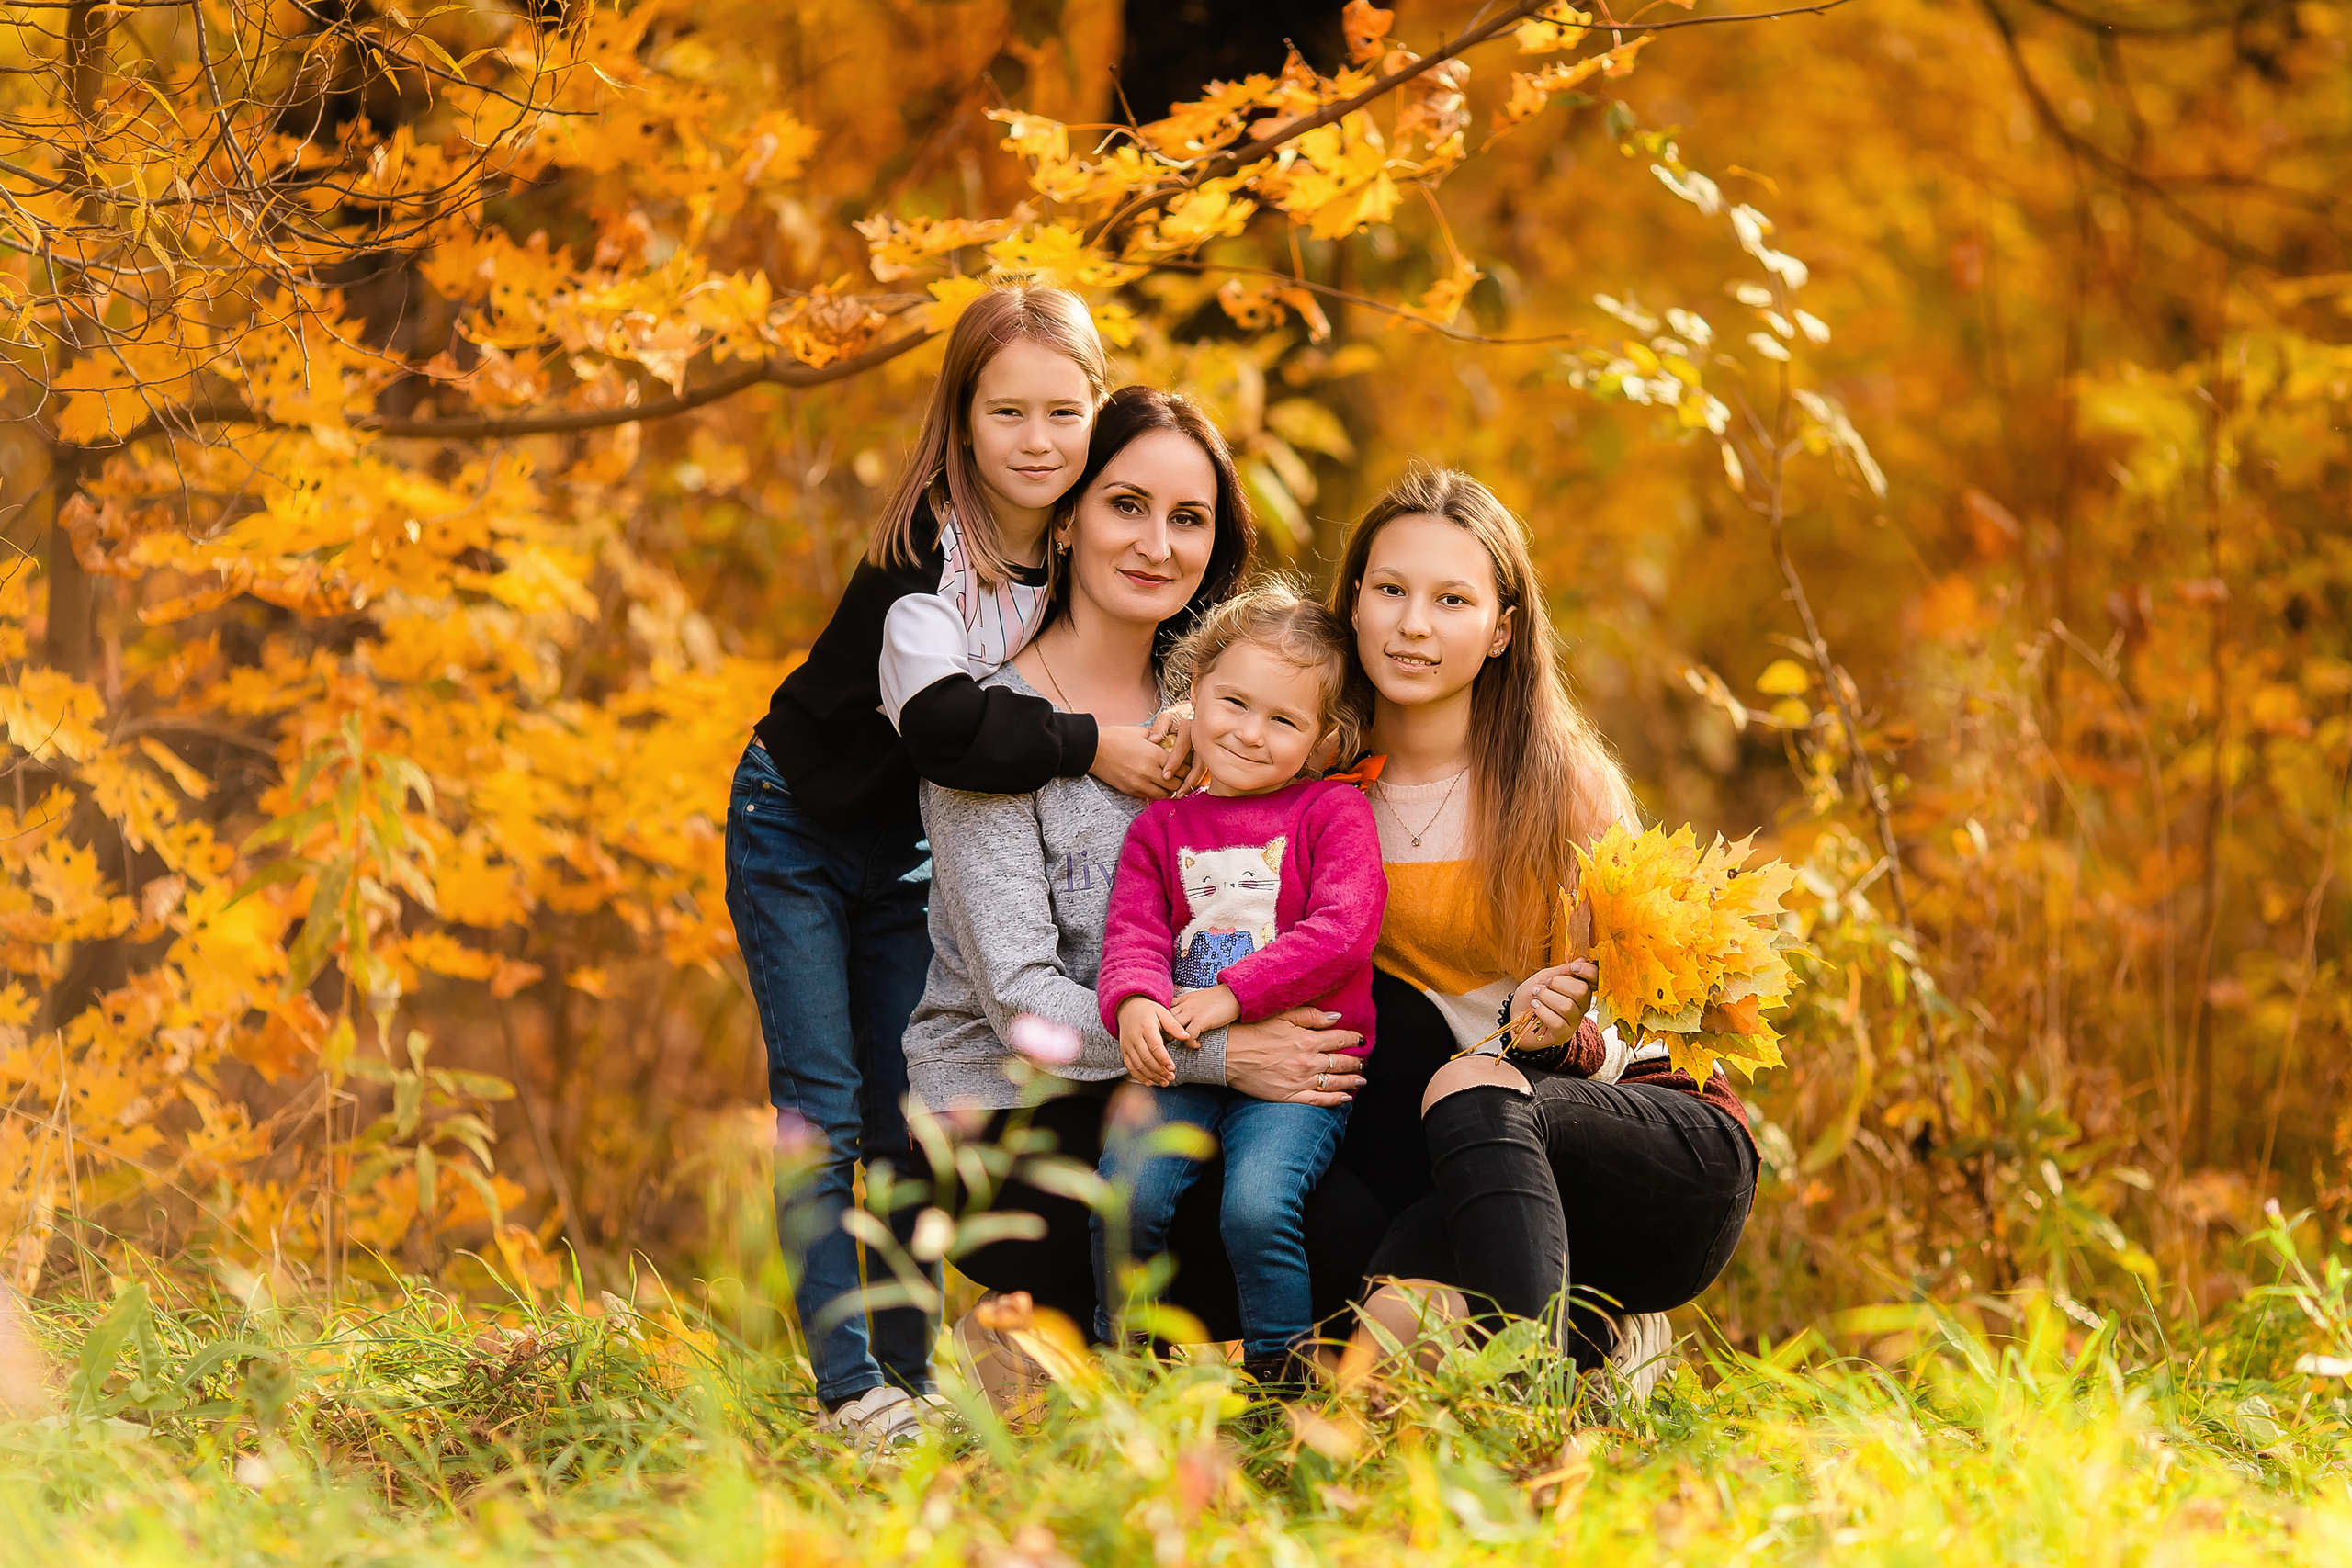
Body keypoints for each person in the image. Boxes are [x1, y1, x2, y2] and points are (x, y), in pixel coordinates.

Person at [726, 286, 1186, 1446]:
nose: (1037, 442)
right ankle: (849, 1390)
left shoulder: (1081, 541)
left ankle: (911, 1373)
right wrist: (1092, 744)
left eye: (1063, 414)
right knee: (825, 1107)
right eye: (1006, 414)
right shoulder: (928, 555)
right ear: (961, 421)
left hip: (907, 854)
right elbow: (940, 728)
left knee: (913, 1109)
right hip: (798, 828)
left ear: (1097, 414)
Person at [900, 388, 1377, 1379]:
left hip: (1171, 1067)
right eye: (1126, 505)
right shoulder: (992, 730)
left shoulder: (1228, 711)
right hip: (1012, 1106)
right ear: (1065, 517)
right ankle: (1051, 1343)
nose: (1157, 544)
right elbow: (1019, 1003)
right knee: (1200, 1203)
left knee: (1346, 1180)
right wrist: (1226, 1054)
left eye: (1188, 518)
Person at [1326, 468, 1758, 1393]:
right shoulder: (1317, 787)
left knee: (1471, 1086)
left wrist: (1566, 1037)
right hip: (1456, 1171)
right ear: (1354, 600)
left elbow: (1662, 1019)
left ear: (1501, 629)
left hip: (1635, 1140)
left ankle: (1542, 1415)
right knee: (1383, 1343)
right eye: (1391, 589)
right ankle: (1591, 1341)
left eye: (1452, 600)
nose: (1413, 625)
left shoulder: (1563, 786)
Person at [1092, 584, 1385, 1382]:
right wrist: (1135, 999)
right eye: (1234, 703)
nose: (1251, 733)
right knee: (1127, 1195)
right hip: (1183, 1061)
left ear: (1324, 738)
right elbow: (1134, 932)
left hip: (1299, 1070)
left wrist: (1232, 993)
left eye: (1284, 720)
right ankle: (1123, 1374)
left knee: (1256, 1207)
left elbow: (1344, 928)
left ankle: (1279, 1380)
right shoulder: (1160, 825)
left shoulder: (1332, 812)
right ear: (1197, 688)